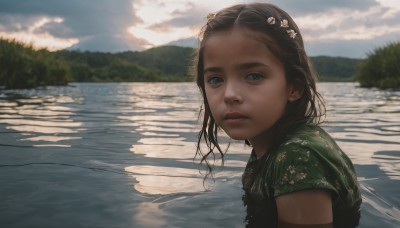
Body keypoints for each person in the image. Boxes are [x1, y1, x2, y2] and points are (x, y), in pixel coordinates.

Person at [193, 3, 362, 228]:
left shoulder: (299, 155)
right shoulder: (272, 147)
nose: (230, 94)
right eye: (215, 79)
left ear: (294, 87)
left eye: (253, 76)